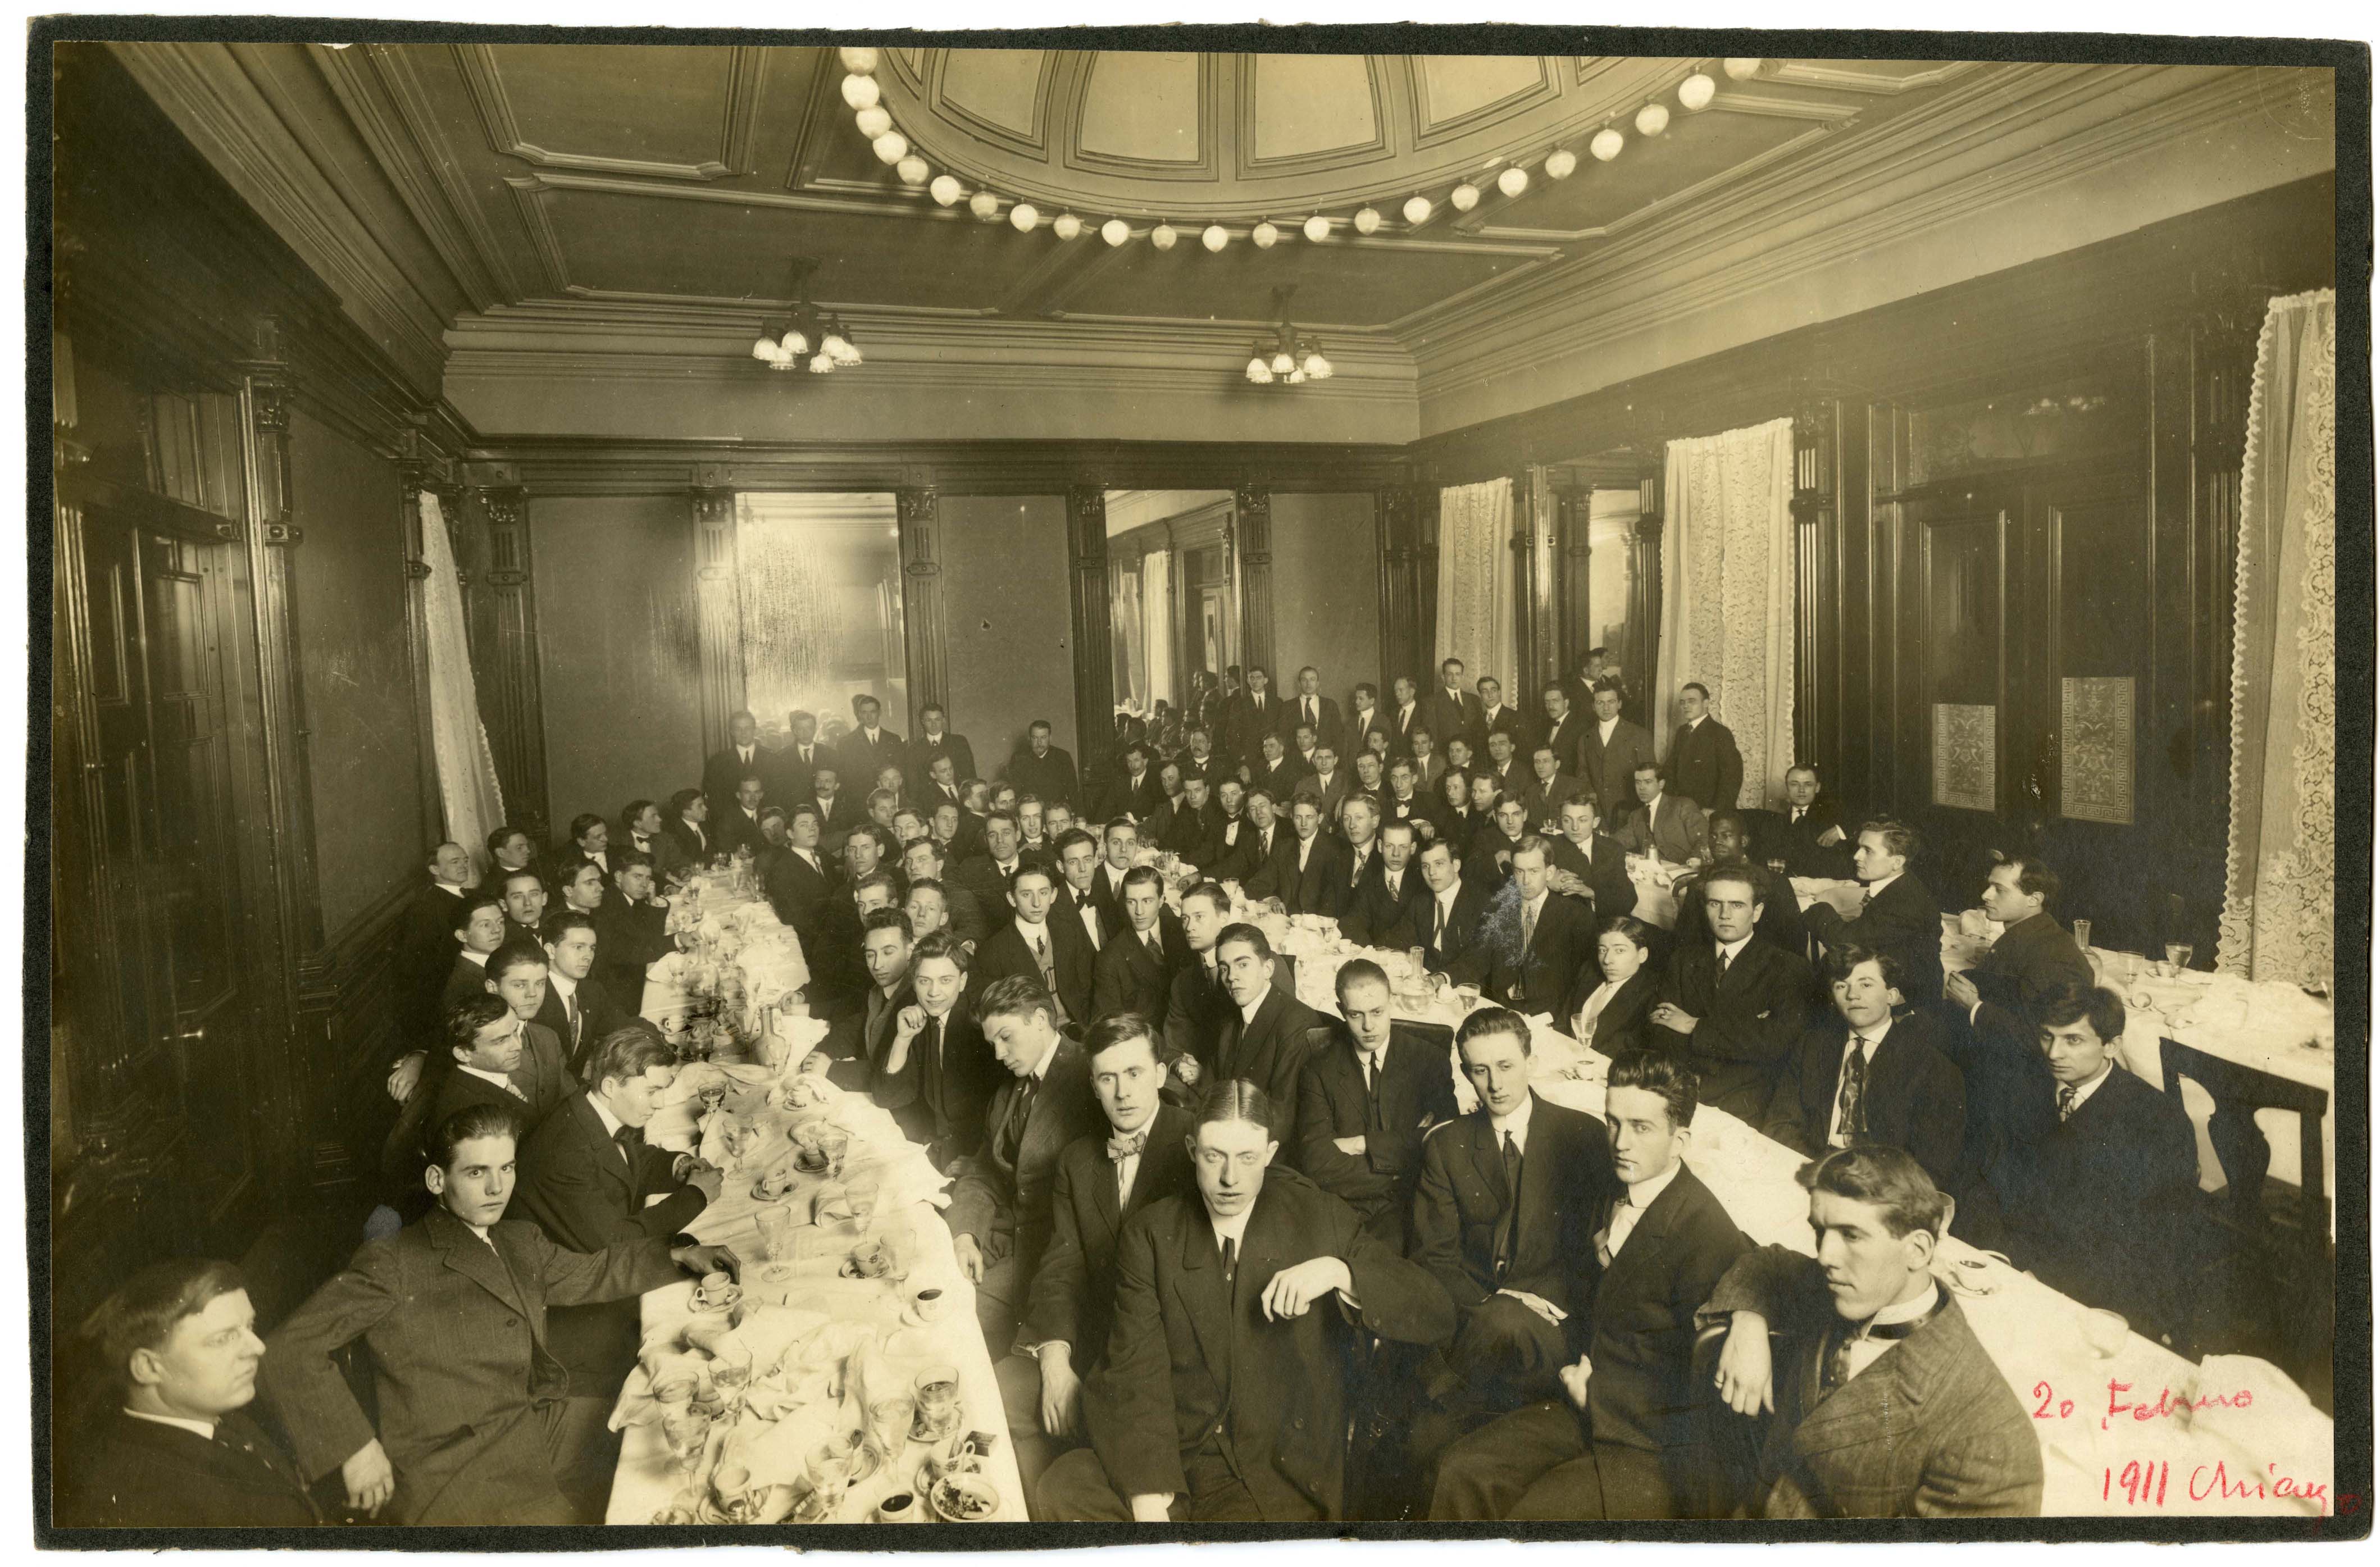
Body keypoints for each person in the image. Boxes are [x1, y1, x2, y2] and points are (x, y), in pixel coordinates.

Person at [261, 1103, 740, 1525]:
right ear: (437, 1180)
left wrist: (677, 1254)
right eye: (476, 1173)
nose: (497, 1188)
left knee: (676, 1422)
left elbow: (592, 1272)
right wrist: (355, 1449)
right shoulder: (394, 1262)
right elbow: (288, 1349)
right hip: (457, 1469)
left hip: (528, 1421)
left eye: (507, 1168)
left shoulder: (517, 1239)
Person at [1036, 1081, 1455, 1522]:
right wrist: (1148, 1490)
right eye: (1214, 1156)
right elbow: (1134, 1370)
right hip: (1177, 1450)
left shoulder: (1318, 1217)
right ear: (1191, 1150)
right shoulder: (1152, 1233)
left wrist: (1339, 1272)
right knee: (1064, 1485)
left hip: (1269, 1468)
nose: (1230, 1178)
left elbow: (1435, 1310)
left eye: (1247, 1158)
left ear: (1270, 1154)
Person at [1432, 1050, 1751, 1520]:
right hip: (1586, 1398)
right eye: (1612, 1122)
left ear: (1679, 1140)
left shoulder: (1705, 1235)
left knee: (1532, 1518)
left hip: (1647, 1446)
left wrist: (1595, 1394)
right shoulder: (1619, 1184)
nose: (1621, 1142)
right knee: (1463, 1470)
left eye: (1641, 1128)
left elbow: (1698, 1398)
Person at [1703, 1145, 2042, 1517]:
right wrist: (1748, 1324)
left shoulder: (1989, 1436)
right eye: (1820, 1231)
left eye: (1851, 1236)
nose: (1825, 1256)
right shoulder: (1850, 1290)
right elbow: (1767, 1265)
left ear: (1917, 1250)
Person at [512, 1027, 722, 1511]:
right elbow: (619, 1242)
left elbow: (627, 1161)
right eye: (651, 1092)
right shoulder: (564, 1148)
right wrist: (696, 1197)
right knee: (683, 1368)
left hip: (596, 1272)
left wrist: (679, 1166)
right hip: (569, 1312)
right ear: (611, 1085)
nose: (658, 1103)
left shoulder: (593, 1115)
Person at [1410, 1008, 1618, 1440]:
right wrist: (1491, 1304)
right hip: (1476, 1315)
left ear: (1531, 1062)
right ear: (1465, 1074)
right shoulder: (1447, 1145)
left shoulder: (1582, 1136)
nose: (1495, 1084)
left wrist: (1539, 1303)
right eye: (1480, 1070)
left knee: (1431, 1426)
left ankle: (1435, 1417)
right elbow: (1435, 1256)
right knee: (1496, 1325)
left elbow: (1596, 1253)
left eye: (1505, 1066)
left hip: (1553, 1324)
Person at [1018, 1015, 1198, 1504]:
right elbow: (1060, 1267)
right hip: (1090, 1341)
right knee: (998, 1400)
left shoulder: (1200, 1145)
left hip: (1165, 1364)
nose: (1123, 1092)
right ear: (1093, 1086)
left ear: (1160, 1074)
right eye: (1107, 1078)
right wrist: (1054, 1357)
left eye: (1134, 1073)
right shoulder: (1077, 1161)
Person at [1989, 983, 2199, 1345]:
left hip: (2098, 1295)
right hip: (2014, 1268)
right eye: (2047, 1036)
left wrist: (2047, 1282)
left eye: (2073, 1040)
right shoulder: (2019, 1090)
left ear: (2111, 1046)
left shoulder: (2158, 1120)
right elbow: (1993, 1184)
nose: (2054, 1053)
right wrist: (2007, 1263)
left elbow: (2156, 1239)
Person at [63, 1259, 321, 1527]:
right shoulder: (144, 1505)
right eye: (222, 1339)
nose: (258, 1347)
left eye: (250, 1326)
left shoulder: (217, 1415)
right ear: (148, 1367)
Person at [1764, 948, 1967, 1194]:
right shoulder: (1812, 1046)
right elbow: (1780, 1124)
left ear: (1892, 995)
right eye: (1842, 986)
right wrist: (1818, 1176)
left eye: (1866, 985)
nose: (1853, 995)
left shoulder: (1933, 1068)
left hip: (1882, 1191)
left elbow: (1930, 1166)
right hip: (1810, 1171)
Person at [1292, 959, 1459, 1246]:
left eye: (1377, 1012)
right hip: (1346, 1208)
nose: (1368, 1026)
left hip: (1416, 1209)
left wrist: (1362, 1144)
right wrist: (1404, 1169)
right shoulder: (1318, 1070)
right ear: (1341, 1011)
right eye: (1355, 1015)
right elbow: (1316, 1164)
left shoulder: (1430, 1060)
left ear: (1391, 1002)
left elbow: (1447, 1142)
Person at [1646, 869, 1813, 1120]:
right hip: (1683, 1084)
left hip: (1747, 1097)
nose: (1725, 915)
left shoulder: (1788, 967)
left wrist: (1694, 1026)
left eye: (1737, 905)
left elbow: (1775, 1043)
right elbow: (1660, 1028)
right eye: (1715, 904)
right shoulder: (1683, 959)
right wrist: (1745, 1029)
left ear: (1757, 912)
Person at [870, 930, 993, 1170]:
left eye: (945, 980)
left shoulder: (982, 1026)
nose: (934, 992)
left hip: (972, 1157)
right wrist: (903, 1039)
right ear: (913, 982)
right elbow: (887, 1097)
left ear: (963, 982)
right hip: (930, 1149)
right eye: (924, 981)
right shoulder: (915, 1016)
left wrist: (980, 1163)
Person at [1802, 820, 1944, 1005]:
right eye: (1859, 848)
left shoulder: (1904, 901)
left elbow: (1844, 940)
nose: (1857, 856)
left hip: (1906, 1002)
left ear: (1897, 862)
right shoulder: (1900, 885)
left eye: (1868, 851)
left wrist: (1820, 908)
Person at [1205, 923, 1321, 1137]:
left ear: (1268, 969)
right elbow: (1210, 1087)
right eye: (1224, 968)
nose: (1231, 977)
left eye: (1243, 965)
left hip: (1263, 1144)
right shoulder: (1231, 1014)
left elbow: (1282, 1116)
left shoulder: (1296, 1023)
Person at [1469, 836, 1595, 1018]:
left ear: (1550, 873)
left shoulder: (1576, 917)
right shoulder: (1498, 910)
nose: (1526, 880)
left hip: (1548, 1018)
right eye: (1519, 872)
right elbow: (1475, 959)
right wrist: (1442, 978)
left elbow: (1582, 982)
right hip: (1500, 1010)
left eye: (1534, 871)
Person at [973, 862, 1095, 1025]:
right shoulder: (992, 952)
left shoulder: (1070, 932)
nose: (1037, 903)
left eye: (1043, 893)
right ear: (1012, 899)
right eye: (1026, 894)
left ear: (1053, 895)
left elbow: (1089, 991)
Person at [1673, 810, 1808, 956]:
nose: (1718, 842)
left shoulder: (1775, 882)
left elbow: (1796, 941)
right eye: (1713, 836)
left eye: (1726, 836)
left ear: (1743, 841)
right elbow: (1685, 940)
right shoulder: (1699, 884)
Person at [534, 909, 632, 1079]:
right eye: (578, 947)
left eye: (592, 948)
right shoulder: (534, 996)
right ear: (550, 951)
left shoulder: (591, 991)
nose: (588, 956)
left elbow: (624, 1025)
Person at [1090, 866, 1186, 1029]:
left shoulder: (1183, 931)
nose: (1139, 911)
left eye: (1147, 901)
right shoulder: (1109, 957)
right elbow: (1110, 1025)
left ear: (1162, 900)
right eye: (1131, 902)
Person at [1559, 915, 1660, 1054]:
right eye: (1603, 950)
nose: (1607, 960)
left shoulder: (1652, 992)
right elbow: (1562, 1022)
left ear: (1642, 955)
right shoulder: (1589, 972)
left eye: (1620, 950)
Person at [594, 854, 675, 1006]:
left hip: (630, 971)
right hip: (619, 986)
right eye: (637, 877)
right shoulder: (611, 904)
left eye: (648, 878)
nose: (644, 884)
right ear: (619, 876)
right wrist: (677, 940)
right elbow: (645, 943)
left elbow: (653, 935)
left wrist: (652, 900)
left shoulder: (627, 897)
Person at [1544, 796, 1637, 926]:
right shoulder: (1548, 847)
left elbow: (1629, 899)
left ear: (1595, 822)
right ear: (1561, 821)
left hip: (1604, 922)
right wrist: (1547, 884)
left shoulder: (1612, 849)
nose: (1575, 827)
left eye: (1583, 820)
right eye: (1567, 820)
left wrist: (1591, 893)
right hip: (1563, 924)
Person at [1341, 818, 1428, 949]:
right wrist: (1374, 952)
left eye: (1403, 847)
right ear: (1380, 846)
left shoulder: (1424, 883)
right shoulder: (1368, 882)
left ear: (1413, 848)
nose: (1396, 854)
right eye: (1389, 846)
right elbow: (1352, 924)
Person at [1580, 681, 1658, 823]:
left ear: (1620, 704)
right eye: (1600, 703)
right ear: (1593, 706)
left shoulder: (1640, 735)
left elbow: (1650, 777)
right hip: (1598, 813)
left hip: (1631, 812)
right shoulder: (1585, 738)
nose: (1606, 708)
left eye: (1611, 702)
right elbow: (1582, 772)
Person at [1414, 836, 1491, 976]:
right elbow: (1398, 936)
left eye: (1439, 864)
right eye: (1426, 866)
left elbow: (1477, 961)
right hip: (1428, 982)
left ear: (1456, 865)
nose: (1431, 873)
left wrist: (1441, 978)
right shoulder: (1421, 901)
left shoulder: (1483, 904)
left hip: (1464, 985)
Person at [1663, 682, 1744, 814]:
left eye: (1692, 701)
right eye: (1682, 702)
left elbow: (1732, 777)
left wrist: (1715, 809)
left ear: (1706, 703)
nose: (1686, 706)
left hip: (1708, 810)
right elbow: (1670, 770)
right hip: (1683, 809)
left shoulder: (1720, 733)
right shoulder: (1682, 732)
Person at [1612, 763, 1709, 865]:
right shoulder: (1636, 816)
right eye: (1638, 782)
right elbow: (1618, 842)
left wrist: (1694, 862)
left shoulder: (1682, 806)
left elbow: (1703, 840)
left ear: (1661, 784)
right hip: (1650, 871)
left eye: (1648, 782)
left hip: (1683, 870)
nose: (1641, 788)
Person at [1270, 792, 1348, 917]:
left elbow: (1334, 900)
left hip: (1318, 921)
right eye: (1298, 817)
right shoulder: (1284, 846)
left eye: (1309, 817)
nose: (1303, 823)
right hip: (1286, 918)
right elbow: (1260, 882)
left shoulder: (1336, 848)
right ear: (1291, 817)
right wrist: (1272, 899)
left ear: (1320, 818)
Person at [1771, 764, 1853, 878]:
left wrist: (1841, 830)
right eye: (1794, 784)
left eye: (1808, 784)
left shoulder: (1833, 813)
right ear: (1787, 787)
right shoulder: (1777, 820)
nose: (1801, 790)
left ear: (1817, 787)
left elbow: (1866, 822)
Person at [702, 709, 770, 815]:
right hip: (729, 821)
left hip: (765, 819)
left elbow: (778, 794)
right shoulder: (717, 762)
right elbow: (710, 796)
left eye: (748, 728)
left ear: (755, 730)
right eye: (738, 729)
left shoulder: (771, 759)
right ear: (732, 732)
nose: (743, 733)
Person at [907, 701, 976, 801]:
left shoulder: (959, 742)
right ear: (922, 722)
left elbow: (970, 776)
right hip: (928, 803)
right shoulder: (914, 750)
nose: (934, 725)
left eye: (937, 719)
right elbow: (913, 787)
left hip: (959, 800)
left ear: (944, 720)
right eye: (929, 720)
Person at [836, 692, 904, 791]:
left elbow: (901, 772)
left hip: (887, 796)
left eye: (873, 712)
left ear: (880, 713)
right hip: (859, 797)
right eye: (864, 713)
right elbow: (844, 778)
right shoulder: (846, 743)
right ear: (859, 714)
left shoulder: (894, 739)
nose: (869, 717)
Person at [1007, 719, 1079, 813]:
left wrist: (1080, 815)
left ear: (1050, 738)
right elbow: (1015, 792)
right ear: (1029, 739)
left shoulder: (1063, 757)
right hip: (1030, 811)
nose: (1039, 743)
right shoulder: (1019, 758)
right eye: (1035, 738)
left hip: (1057, 811)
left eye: (1043, 737)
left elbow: (1073, 790)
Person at [1421, 657, 1484, 758]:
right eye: (1450, 674)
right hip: (1446, 757)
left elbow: (1480, 733)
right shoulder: (1431, 701)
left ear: (1462, 676)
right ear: (1443, 677)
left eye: (1458, 674)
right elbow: (1432, 735)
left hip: (1472, 758)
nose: (1454, 678)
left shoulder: (1474, 700)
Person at [1536, 682, 1584, 779]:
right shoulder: (1545, 725)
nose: (1550, 706)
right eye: (1547, 702)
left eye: (1555, 701)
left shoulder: (1580, 726)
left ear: (1566, 703)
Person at [662, 787, 711, 865]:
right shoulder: (675, 834)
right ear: (686, 812)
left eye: (704, 805)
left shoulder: (705, 826)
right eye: (700, 806)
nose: (706, 809)